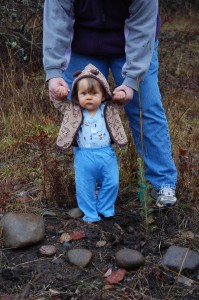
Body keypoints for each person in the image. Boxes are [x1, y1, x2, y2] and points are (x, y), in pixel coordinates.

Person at [43, 0, 178, 207]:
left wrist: (132, 80)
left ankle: (163, 183)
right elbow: (56, 18)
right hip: (83, 43)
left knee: (146, 109)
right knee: (82, 111)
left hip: (133, 42)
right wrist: (53, 70)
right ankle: (93, 184)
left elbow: (142, 29)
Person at [51, 64, 128, 222]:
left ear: (104, 95)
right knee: (84, 186)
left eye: (94, 93)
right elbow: (57, 102)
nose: (89, 97)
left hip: (106, 154)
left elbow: (122, 101)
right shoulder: (73, 109)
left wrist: (122, 94)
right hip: (84, 156)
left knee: (112, 182)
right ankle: (90, 213)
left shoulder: (109, 108)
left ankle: (105, 208)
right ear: (76, 95)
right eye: (84, 93)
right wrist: (59, 93)